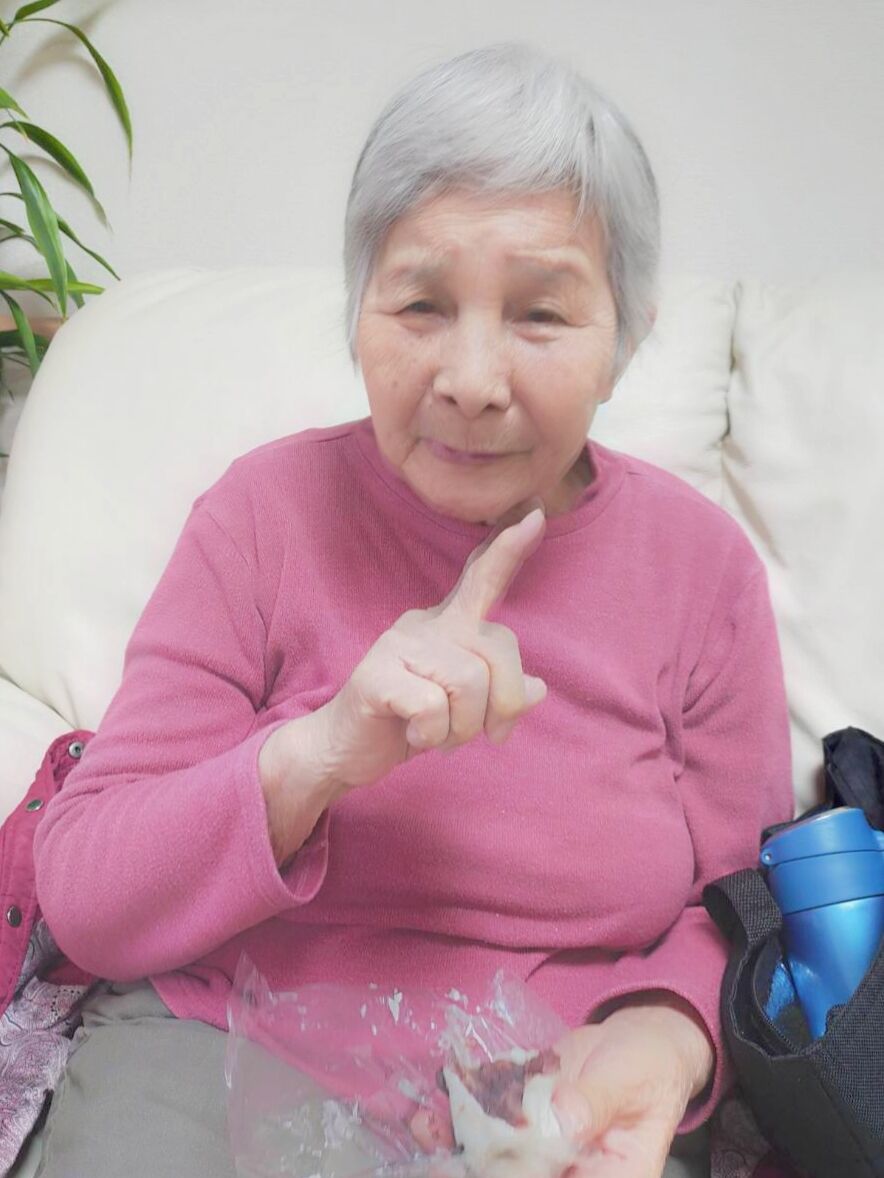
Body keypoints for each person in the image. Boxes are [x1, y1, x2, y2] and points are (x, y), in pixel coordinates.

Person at [30, 41, 793, 1178]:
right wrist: (319, 754)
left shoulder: (701, 571)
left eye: (541, 314)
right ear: (358, 315)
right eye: (421, 303)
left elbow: (748, 910)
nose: (471, 379)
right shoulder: (260, 518)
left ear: (624, 339)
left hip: (557, 1077)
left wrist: (667, 1037)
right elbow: (90, 895)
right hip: (221, 1037)